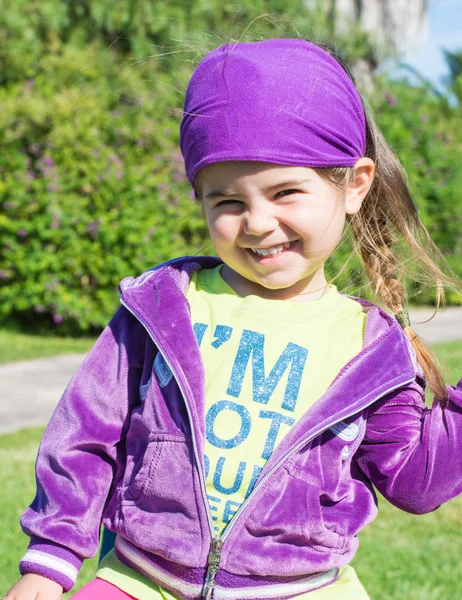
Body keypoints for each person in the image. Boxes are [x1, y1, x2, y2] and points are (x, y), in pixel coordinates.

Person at [4, 38, 462, 600]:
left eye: (285, 192)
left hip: (303, 588)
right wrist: (49, 560)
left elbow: (418, 482)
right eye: (227, 202)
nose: (258, 223)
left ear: (354, 185)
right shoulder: (164, 308)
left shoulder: (373, 349)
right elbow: (85, 435)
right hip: (141, 577)